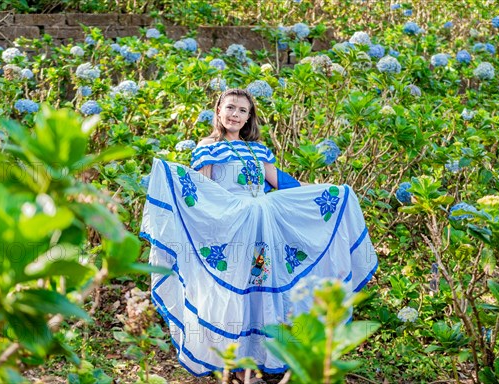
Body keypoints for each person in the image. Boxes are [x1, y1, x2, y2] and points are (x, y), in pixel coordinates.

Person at [140, 88, 377, 382]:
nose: (235, 114)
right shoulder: (208, 147)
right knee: (235, 292)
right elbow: (203, 193)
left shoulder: (257, 149)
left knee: (259, 294)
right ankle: (236, 367)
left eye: (242, 110)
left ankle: (260, 360)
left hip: (263, 230)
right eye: (230, 108)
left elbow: (278, 181)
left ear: (249, 117)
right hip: (231, 227)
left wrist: (321, 191)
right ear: (218, 111)